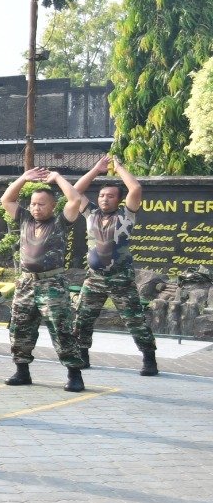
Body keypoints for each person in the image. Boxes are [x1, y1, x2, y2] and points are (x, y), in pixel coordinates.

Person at [0, 166, 86, 391]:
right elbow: (6, 200)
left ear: (52, 206)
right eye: (33, 204)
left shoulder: (60, 222)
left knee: (61, 329)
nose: (36, 208)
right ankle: (22, 371)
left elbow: (75, 199)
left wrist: (57, 178)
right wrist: (23, 178)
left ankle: (74, 374)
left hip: (52, 284)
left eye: (41, 204)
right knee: (19, 327)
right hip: (27, 283)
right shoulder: (25, 219)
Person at [73, 155, 157, 376]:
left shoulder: (125, 215)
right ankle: (82, 355)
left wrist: (118, 167)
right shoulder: (90, 214)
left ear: (118, 199)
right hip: (94, 278)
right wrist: (95, 170)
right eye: (101, 195)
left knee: (135, 320)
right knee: (83, 318)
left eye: (110, 196)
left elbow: (135, 188)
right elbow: (75, 192)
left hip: (121, 279)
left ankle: (149, 358)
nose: (104, 199)